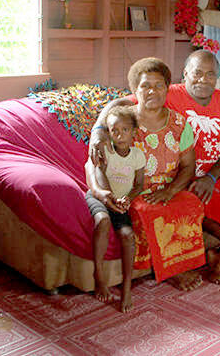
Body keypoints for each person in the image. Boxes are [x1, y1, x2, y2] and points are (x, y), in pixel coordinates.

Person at [90, 50, 220, 284]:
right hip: (186, 178)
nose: (203, 79)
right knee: (192, 206)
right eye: (197, 73)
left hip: (216, 175)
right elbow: (120, 103)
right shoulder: (166, 92)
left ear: (217, 77)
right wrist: (98, 132)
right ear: (185, 75)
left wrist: (211, 178)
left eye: (210, 74)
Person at [86, 57, 206, 292]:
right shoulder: (121, 121)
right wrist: (103, 192)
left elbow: (189, 167)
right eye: (145, 86)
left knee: (191, 204)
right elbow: (94, 163)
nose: (153, 91)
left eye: (159, 85)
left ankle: (180, 263)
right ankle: (173, 271)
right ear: (134, 90)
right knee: (149, 212)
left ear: (167, 89)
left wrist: (170, 191)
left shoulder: (180, 124)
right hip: (133, 189)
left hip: (168, 187)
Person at [84, 106, 146, 312]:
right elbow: (96, 171)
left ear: (134, 132)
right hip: (100, 197)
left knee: (128, 236)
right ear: (108, 132)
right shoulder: (105, 149)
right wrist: (107, 194)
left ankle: (127, 288)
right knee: (102, 220)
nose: (119, 135)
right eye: (114, 131)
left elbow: (139, 184)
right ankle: (99, 276)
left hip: (120, 201)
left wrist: (127, 199)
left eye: (125, 130)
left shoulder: (137, 155)